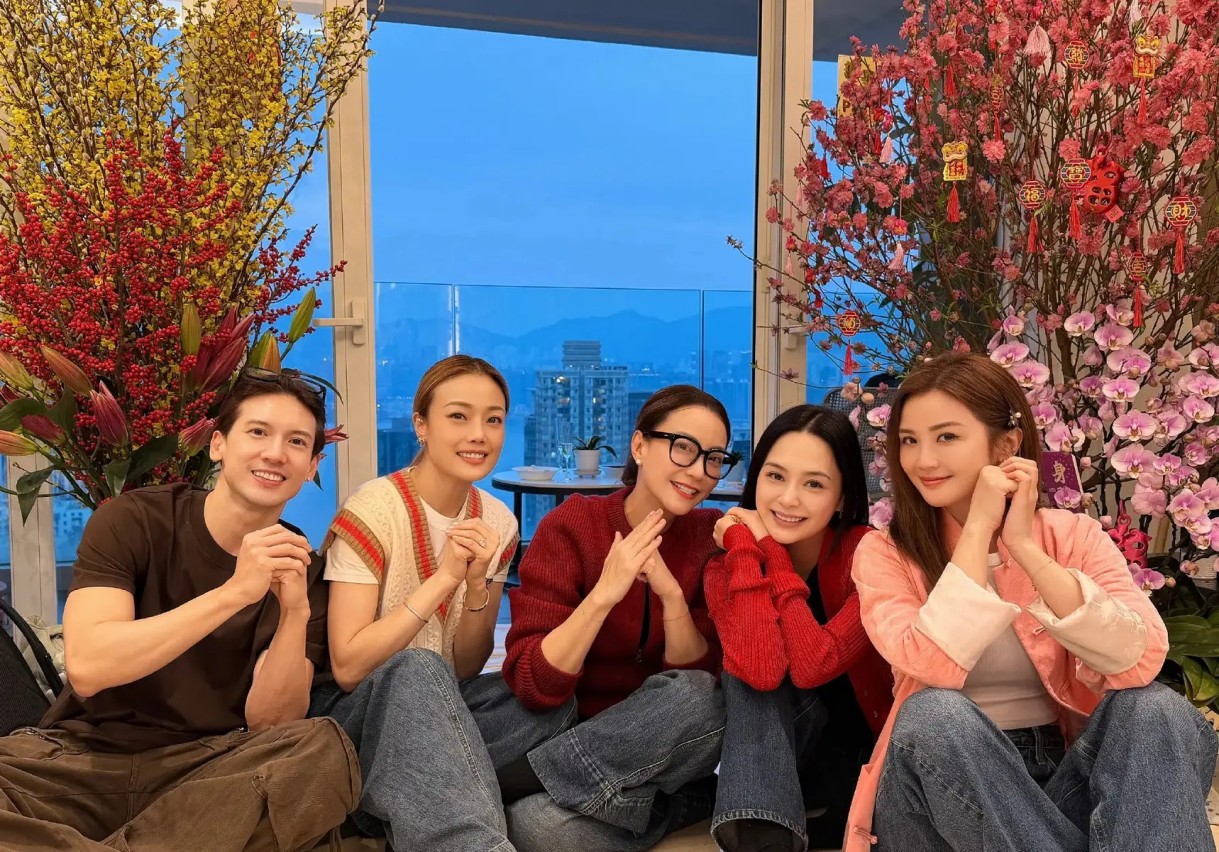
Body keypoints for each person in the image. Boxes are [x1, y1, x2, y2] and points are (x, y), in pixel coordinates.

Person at [846, 352, 1219, 852]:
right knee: (933, 714)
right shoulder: (885, 552)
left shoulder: (1073, 535)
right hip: (938, 790)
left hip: (1063, 773)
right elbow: (932, 663)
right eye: (909, 440)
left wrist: (1023, 546)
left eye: (946, 437)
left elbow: (1140, 658)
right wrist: (979, 527)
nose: (923, 460)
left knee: (1155, 709)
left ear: (1006, 444)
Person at [0, 368, 360, 850]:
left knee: (320, 750)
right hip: (81, 759)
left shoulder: (303, 569)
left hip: (208, 775)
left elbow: (272, 725)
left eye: (296, 442)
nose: (275, 453)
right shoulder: (133, 519)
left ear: (313, 465)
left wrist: (293, 615)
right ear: (218, 444)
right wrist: (235, 592)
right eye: (258, 432)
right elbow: (89, 669)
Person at [309, 355, 574, 852]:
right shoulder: (374, 508)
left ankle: (416, 797)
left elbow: (467, 668)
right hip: (353, 719)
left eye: (493, 419)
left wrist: (475, 588)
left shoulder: (498, 522)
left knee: (547, 702)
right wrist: (446, 578)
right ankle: (474, 830)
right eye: (458, 416)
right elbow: (347, 668)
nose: (479, 434)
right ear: (421, 425)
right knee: (419, 667)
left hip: (438, 708)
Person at [497, 384, 736, 851]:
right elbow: (533, 683)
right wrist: (604, 595)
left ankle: (514, 781)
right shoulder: (572, 526)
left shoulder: (711, 538)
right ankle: (672, 808)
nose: (698, 471)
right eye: (683, 447)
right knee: (537, 828)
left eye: (714, 458)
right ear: (640, 445)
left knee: (699, 696)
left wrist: (671, 597)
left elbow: (701, 688)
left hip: (666, 752)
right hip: (576, 736)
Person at [705, 405, 893, 852]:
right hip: (777, 761)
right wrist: (750, 552)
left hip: (867, 767)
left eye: (814, 484)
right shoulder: (730, 564)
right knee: (744, 677)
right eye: (775, 476)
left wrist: (770, 551)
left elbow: (813, 664)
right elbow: (760, 671)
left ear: (843, 498)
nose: (788, 499)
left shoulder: (869, 556)